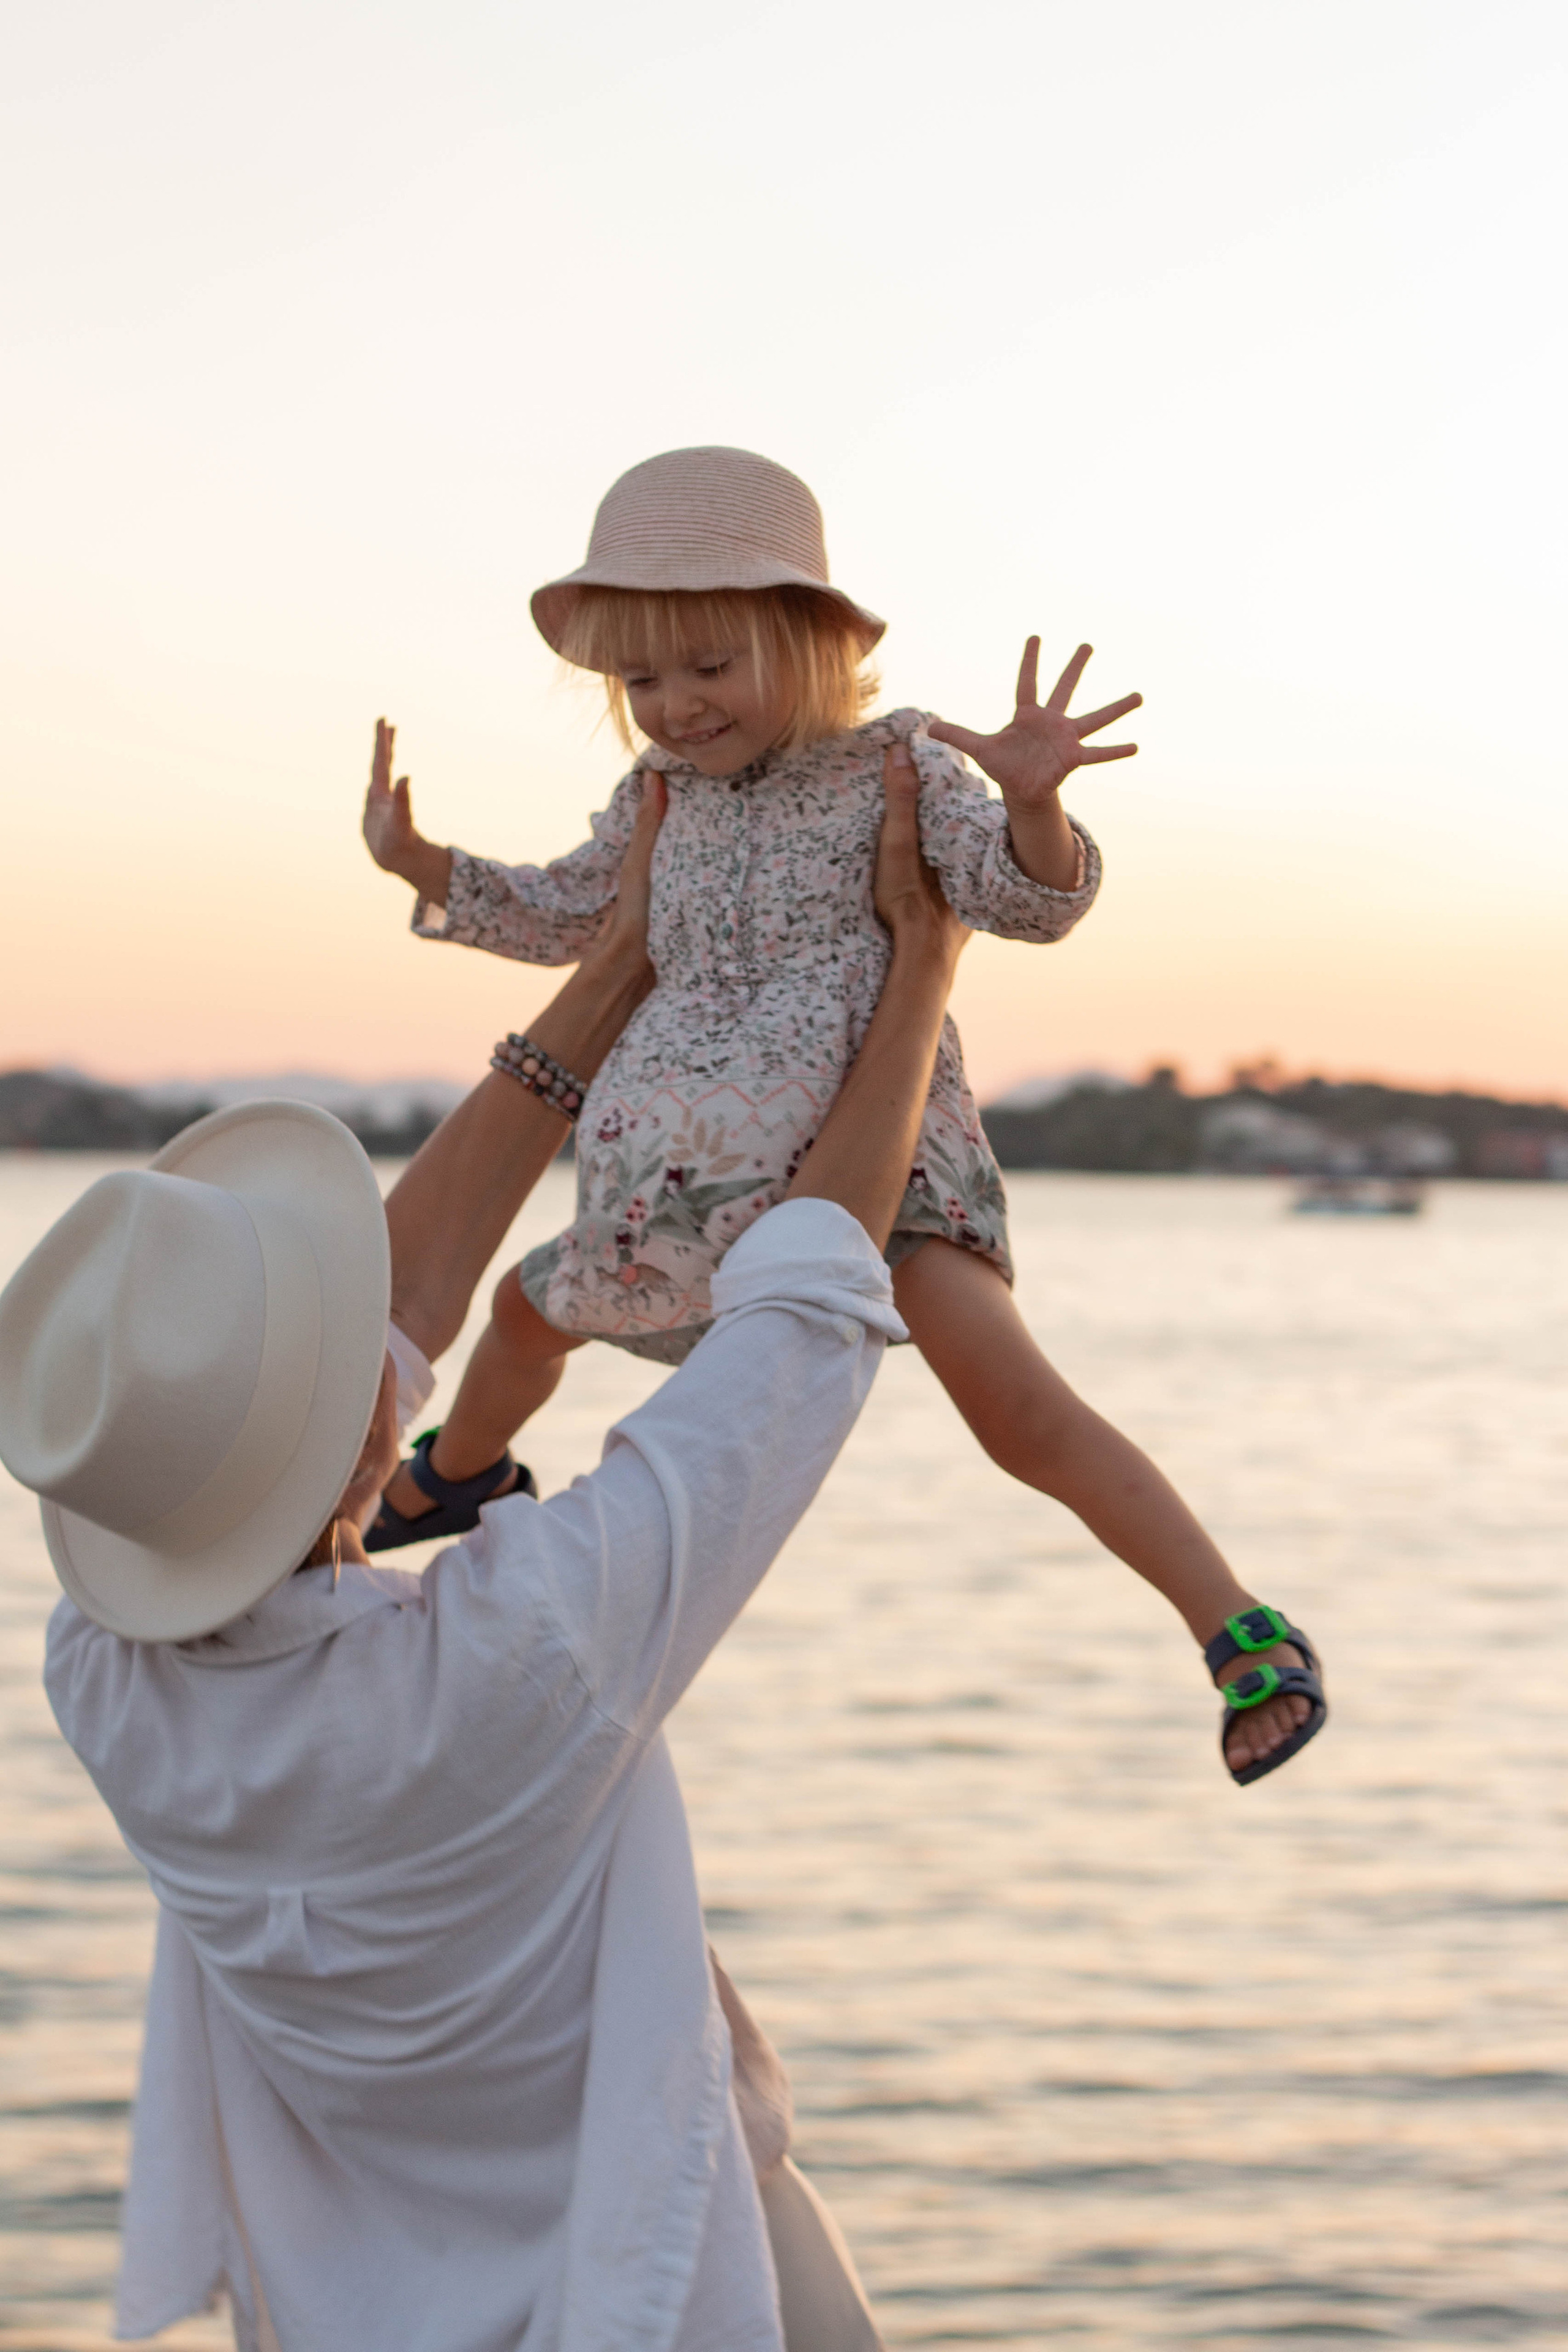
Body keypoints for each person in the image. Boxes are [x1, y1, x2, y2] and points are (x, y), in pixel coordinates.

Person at [0, 764, 986, 2352]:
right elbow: (798, 1319)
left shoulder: (100, 1685)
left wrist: (623, 962)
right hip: (656, 2270)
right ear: (351, 1441)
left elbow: (374, 1344)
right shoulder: (520, 1658)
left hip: (361, 2300)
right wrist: (922, 958)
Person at [362, 443, 1327, 1785]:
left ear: (810, 640)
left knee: (1015, 1406)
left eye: (711, 665)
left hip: (874, 1170)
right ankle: (464, 1470)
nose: (676, 705)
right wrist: (428, 866)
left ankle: (1235, 1624)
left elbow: (1025, 903)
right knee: (525, 1319)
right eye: (642, 678)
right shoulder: (657, 797)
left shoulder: (902, 766)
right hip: (671, 1189)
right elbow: (578, 914)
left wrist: (1033, 802)